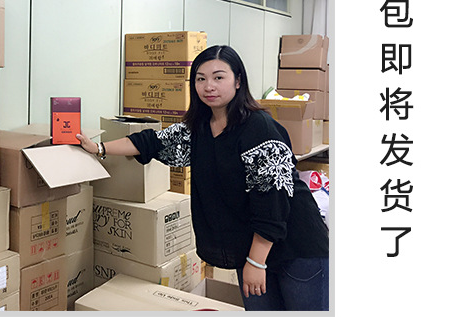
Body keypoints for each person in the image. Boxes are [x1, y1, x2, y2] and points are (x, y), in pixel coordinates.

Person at [76, 45, 329, 311]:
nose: (209, 86)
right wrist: (98, 148)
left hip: (296, 247)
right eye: (200, 78)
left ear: (238, 80)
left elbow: (273, 202)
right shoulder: (199, 129)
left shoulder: (259, 128)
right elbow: (152, 142)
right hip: (250, 246)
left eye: (219, 77)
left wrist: (256, 262)